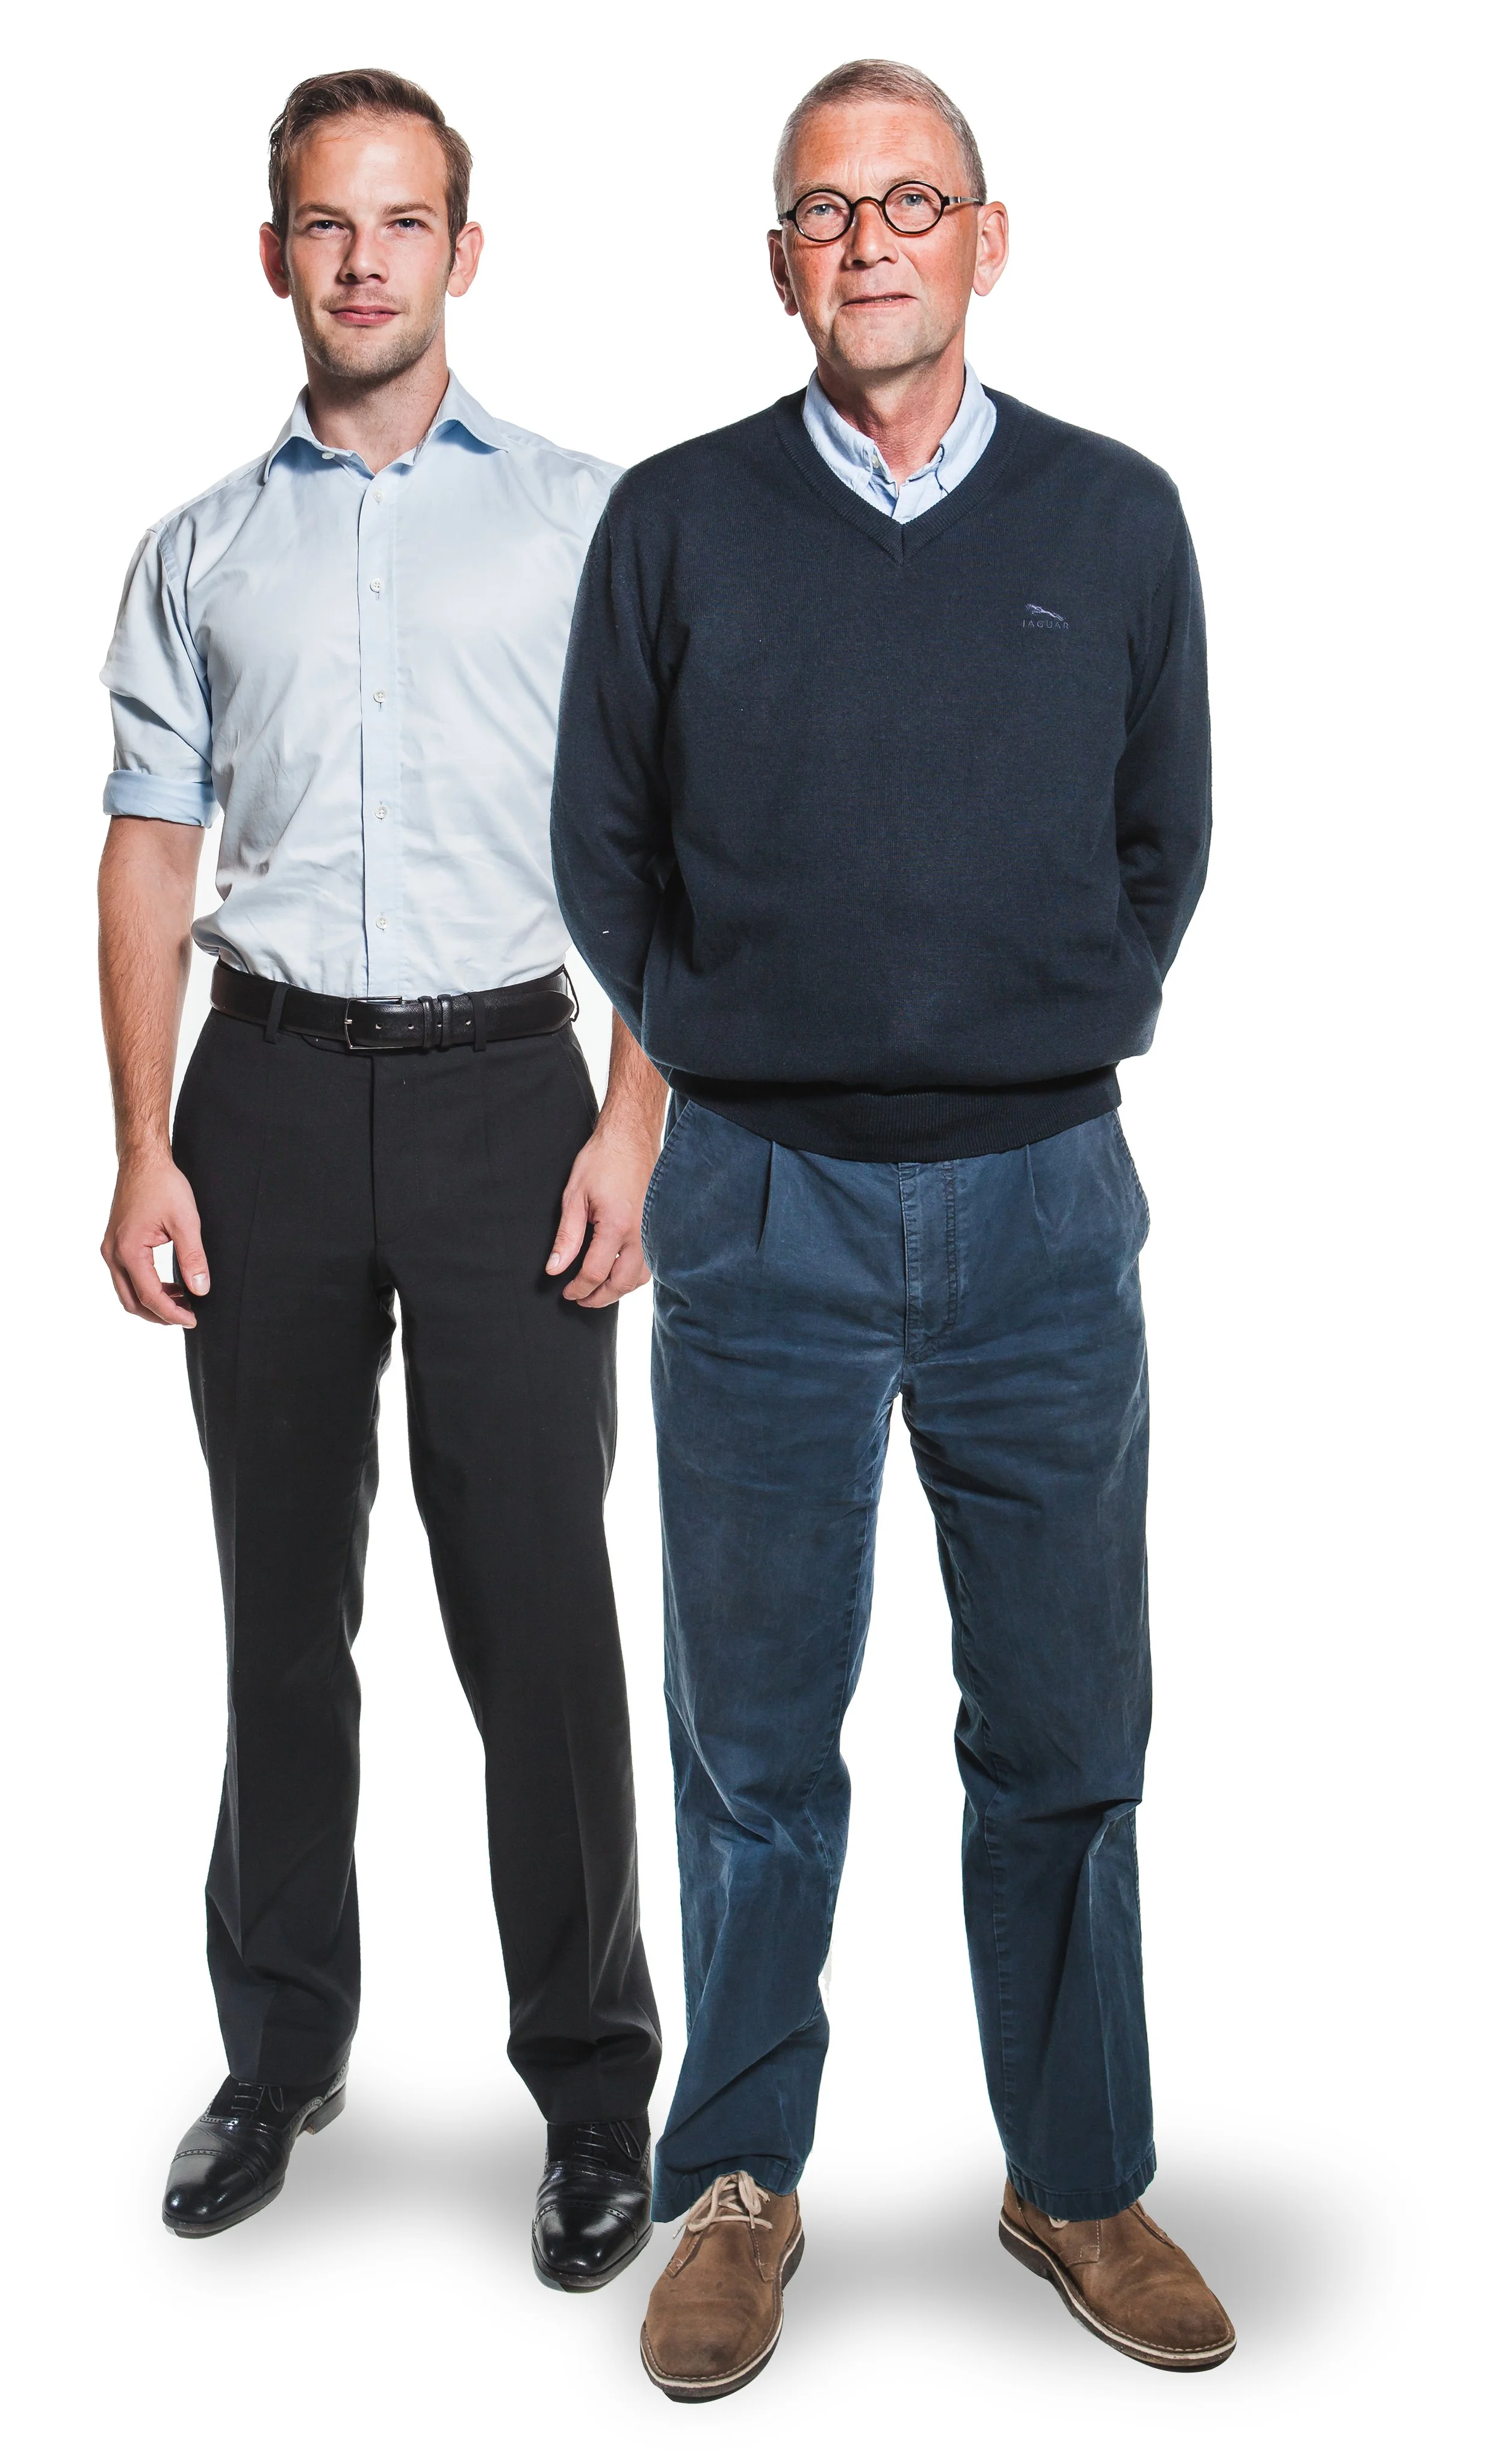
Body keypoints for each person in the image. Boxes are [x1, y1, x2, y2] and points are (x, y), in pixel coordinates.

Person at [552, 55, 1235, 2397]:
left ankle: (1076, 2178)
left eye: (909, 201)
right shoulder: (676, 525)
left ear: (985, 238)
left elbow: (1169, 840)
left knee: (1062, 1722)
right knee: (750, 1737)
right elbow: (602, 856)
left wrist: (1037, 1029)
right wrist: (771, 1051)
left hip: (1047, 1203)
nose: (867, 240)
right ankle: (735, 2185)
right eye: (823, 210)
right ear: (777, 262)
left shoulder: (1118, 519)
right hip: (758, 1198)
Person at [99, 67, 663, 2288]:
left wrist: (636, 1119)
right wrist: (139, 1136)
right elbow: (149, 851)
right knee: (276, 1608)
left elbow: (661, 848)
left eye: (403, 223)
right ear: (276, 256)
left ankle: (596, 2078)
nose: (363, 261)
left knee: (537, 1612)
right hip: (261, 1099)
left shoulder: (586, 524)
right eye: (326, 226)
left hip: (510, 1095)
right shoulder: (195, 549)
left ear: (463, 250)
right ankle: (278, 2046)